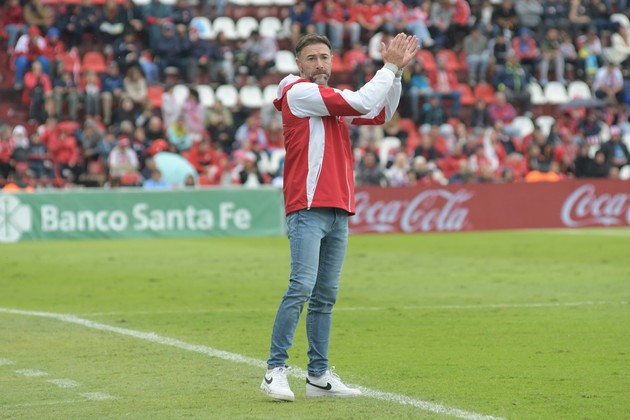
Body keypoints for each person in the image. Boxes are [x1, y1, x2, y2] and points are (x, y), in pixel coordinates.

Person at [260, 33, 417, 402]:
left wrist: (395, 75)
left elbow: (380, 113)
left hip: (337, 208)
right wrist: (389, 67)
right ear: (298, 65)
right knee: (301, 287)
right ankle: (274, 370)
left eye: (324, 57)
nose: (319, 64)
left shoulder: (326, 98)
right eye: (311, 58)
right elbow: (363, 101)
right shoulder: (298, 92)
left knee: (325, 296)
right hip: (308, 205)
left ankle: (317, 376)